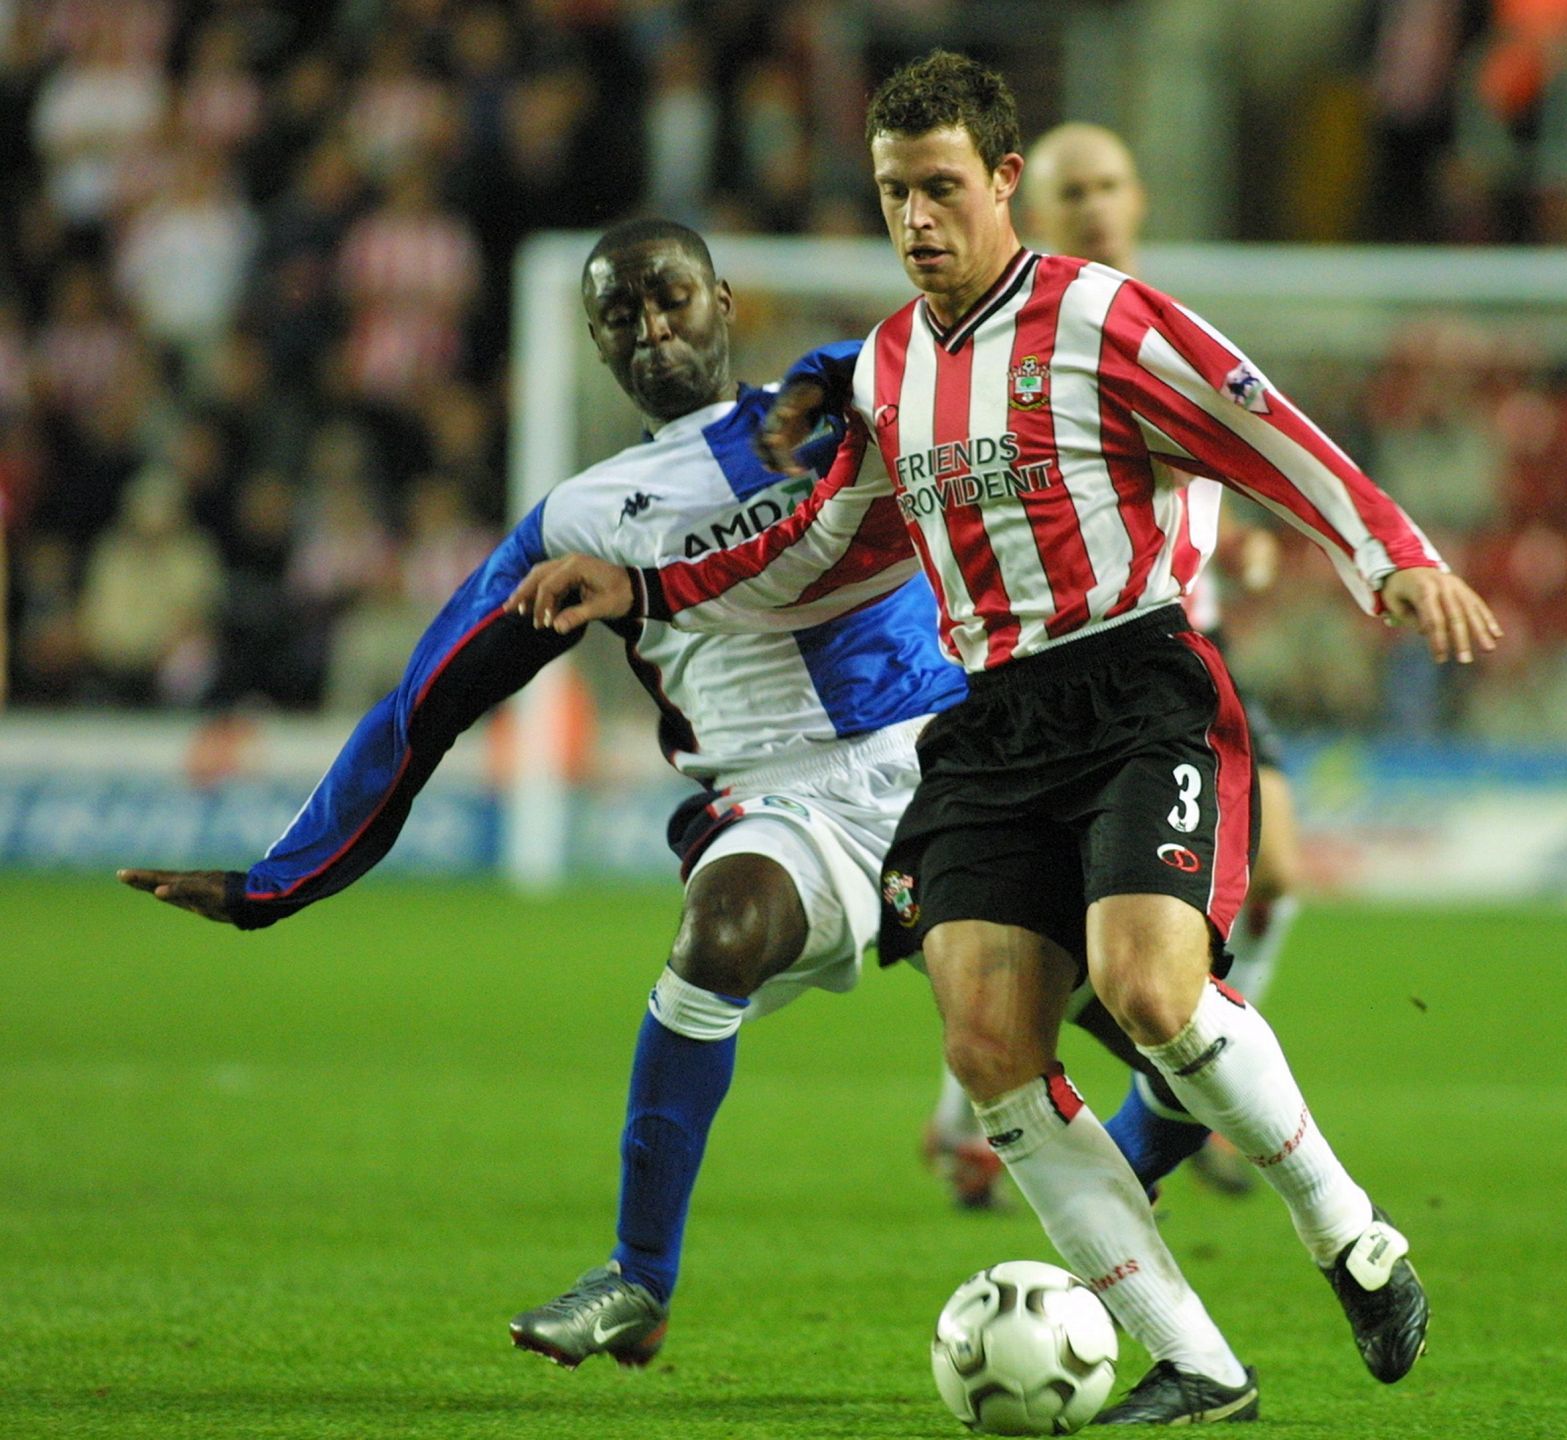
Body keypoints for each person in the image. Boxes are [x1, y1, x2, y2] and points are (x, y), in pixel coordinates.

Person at [510, 51, 1499, 1424]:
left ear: (1003, 182)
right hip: (989, 723)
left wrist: (1386, 553)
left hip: (1137, 683)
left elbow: (1259, 423)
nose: (915, 220)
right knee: (988, 1048)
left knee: (1151, 992)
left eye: (939, 190)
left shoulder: (1105, 317)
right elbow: (820, 541)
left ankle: (1348, 1233)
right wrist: (649, 589)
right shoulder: (887, 369)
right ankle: (1198, 1364)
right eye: (892, 194)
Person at [117, 217, 975, 1372]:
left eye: (670, 297)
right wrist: (280, 881)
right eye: (621, 314)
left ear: (724, 299)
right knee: (718, 932)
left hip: (944, 757)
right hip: (782, 808)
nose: (653, 326)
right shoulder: (578, 517)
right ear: (595, 342)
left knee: (1136, 1003)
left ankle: (1249, 1222)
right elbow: (424, 703)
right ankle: (639, 1278)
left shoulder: (845, 416)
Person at [918, 119, 1311, 1204]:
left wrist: (1255, 534)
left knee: (1270, 876)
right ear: (1027, 207)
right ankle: (1033, 1107)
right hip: (1066, 657)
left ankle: (1182, 1096)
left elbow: (1219, 457)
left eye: (1110, 184)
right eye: (1070, 189)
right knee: (1061, 917)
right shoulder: (1025, 340)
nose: (1094, 205)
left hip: (1182, 642)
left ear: (1138, 199)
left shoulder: (1164, 327)